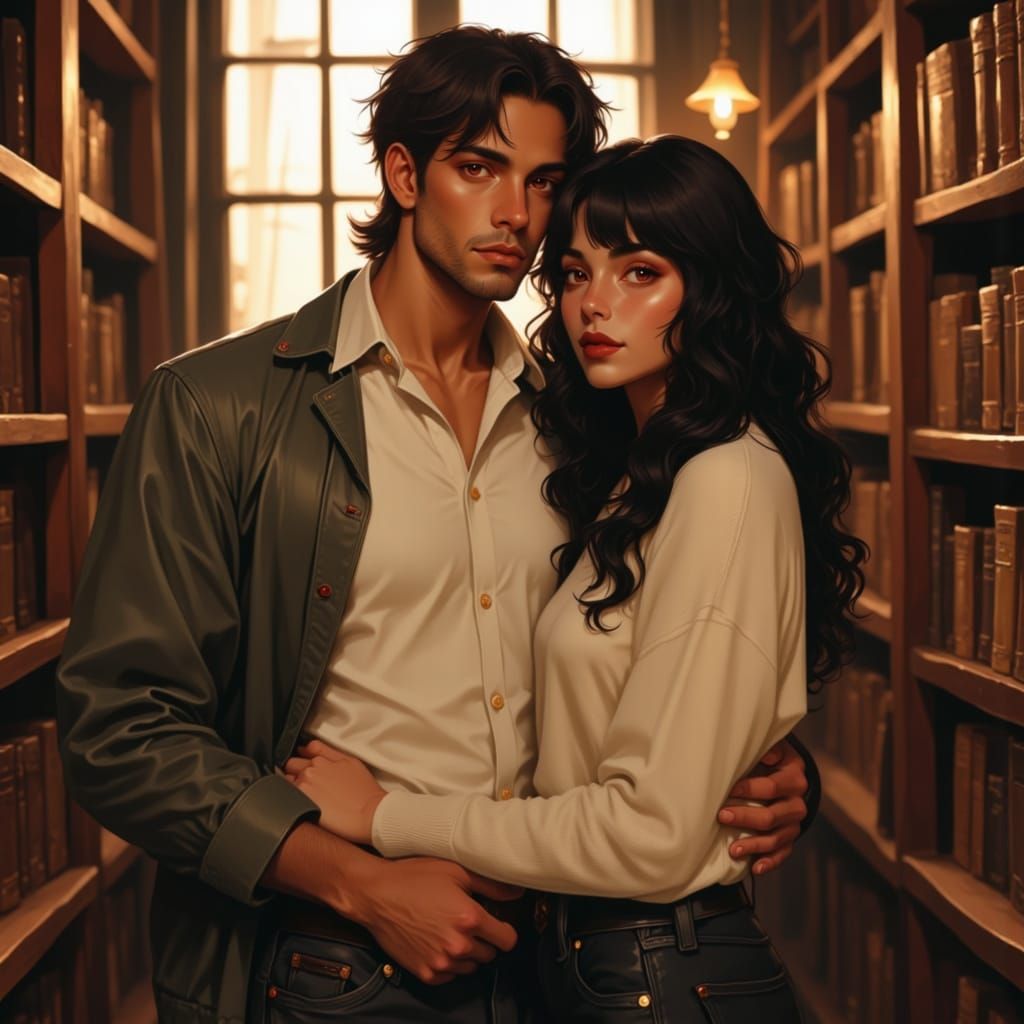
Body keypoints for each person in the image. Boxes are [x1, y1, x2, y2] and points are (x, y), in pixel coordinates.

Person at [55, 30, 820, 1024]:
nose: (516, 214)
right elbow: (120, 726)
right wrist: (353, 879)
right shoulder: (217, 406)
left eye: (545, 182)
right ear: (404, 173)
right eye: (479, 167)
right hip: (345, 961)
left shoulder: (588, 419)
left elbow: (661, 647)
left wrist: (754, 764)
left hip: (568, 959)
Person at [282, 135, 866, 1022]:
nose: (596, 305)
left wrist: (384, 817)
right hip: (586, 960)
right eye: (579, 272)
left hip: (662, 970)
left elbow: (649, 835)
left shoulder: (726, 478)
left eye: (641, 273)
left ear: (710, 291)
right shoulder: (634, 469)